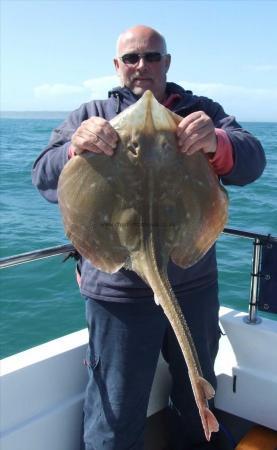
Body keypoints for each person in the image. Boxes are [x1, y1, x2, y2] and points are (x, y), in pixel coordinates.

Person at [32, 25, 266, 450]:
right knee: (115, 411)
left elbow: (252, 160)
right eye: (132, 58)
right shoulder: (91, 114)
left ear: (167, 63)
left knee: (195, 394)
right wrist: (74, 148)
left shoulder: (200, 109)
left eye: (153, 57)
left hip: (192, 284)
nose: (143, 66)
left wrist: (215, 141)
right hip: (116, 294)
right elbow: (43, 176)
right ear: (117, 66)